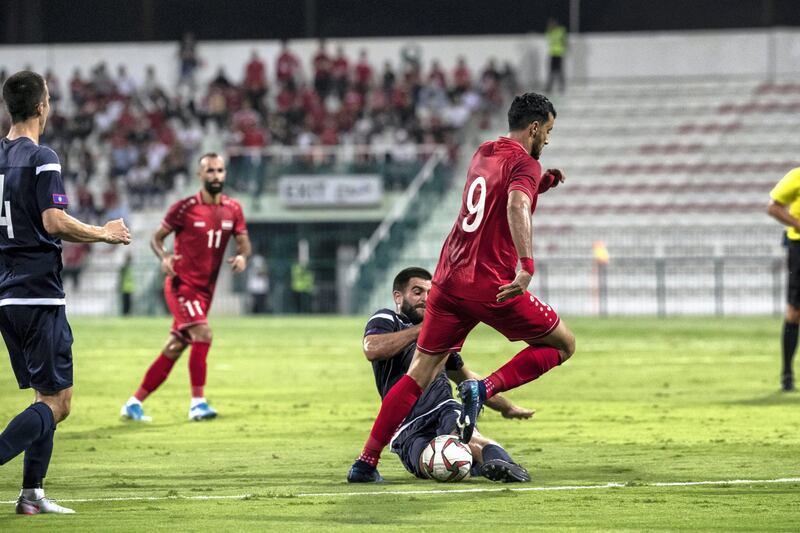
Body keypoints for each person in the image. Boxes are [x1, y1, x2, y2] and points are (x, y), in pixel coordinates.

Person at [348, 92, 574, 482]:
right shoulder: (525, 164)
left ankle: (365, 463)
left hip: (449, 278)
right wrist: (526, 266)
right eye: (548, 131)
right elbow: (515, 204)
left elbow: (496, 195)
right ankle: (481, 389)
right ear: (534, 128)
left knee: (417, 373)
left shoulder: (484, 150)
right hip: (490, 283)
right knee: (562, 344)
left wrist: (542, 183)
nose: (548, 141)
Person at [0, 70, 131, 514]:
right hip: (40, 295)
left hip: (8, 295)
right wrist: (104, 233)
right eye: (49, 99)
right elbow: (54, 223)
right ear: (41, 107)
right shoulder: (42, 157)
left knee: (43, 395)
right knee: (59, 403)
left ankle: (32, 495)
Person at [355, 267, 533, 483]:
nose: (425, 299)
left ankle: (505, 466)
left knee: (471, 437)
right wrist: (422, 330)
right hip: (405, 425)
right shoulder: (388, 318)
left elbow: (467, 379)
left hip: (445, 407)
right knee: (431, 461)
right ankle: (472, 465)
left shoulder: (440, 338)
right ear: (398, 296)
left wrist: (507, 407)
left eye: (430, 293)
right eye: (417, 292)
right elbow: (372, 349)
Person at [120, 153, 251, 422]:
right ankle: (197, 404)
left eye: (220, 171)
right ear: (199, 175)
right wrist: (165, 257)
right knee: (203, 333)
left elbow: (244, 241)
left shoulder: (233, 208)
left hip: (205, 291)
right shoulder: (184, 208)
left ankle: (134, 403)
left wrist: (242, 256)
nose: (216, 176)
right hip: (182, 285)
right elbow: (157, 239)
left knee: (175, 347)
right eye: (210, 171)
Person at [767, 167, 800, 391]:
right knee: (794, 312)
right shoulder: (797, 176)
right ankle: (787, 374)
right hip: (799, 247)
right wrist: (798, 224)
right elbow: (773, 207)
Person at [545, 18, 567, 94]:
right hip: (553, 54)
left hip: (559, 54)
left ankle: (561, 87)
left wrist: (564, 48)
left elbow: (564, 41)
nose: (550, 25)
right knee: (551, 71)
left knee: (559, 71)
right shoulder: (550, 32)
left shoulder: (560, 31)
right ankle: (549, 87)